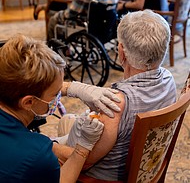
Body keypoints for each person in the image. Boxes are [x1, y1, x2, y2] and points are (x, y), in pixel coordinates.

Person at [53, 10, 177, 181]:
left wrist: (47, 145)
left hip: (101, 178)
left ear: (122, 52)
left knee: (39, 151)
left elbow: (84, 161)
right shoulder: (168, 78)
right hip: (146, 169)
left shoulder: (116, 104)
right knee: (67, 121)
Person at [0, 34, 123, 183]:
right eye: (55, 93)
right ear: (28, 102)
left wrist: (74, 88)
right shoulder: (36, 155)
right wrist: (82, 148)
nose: (59, 96)